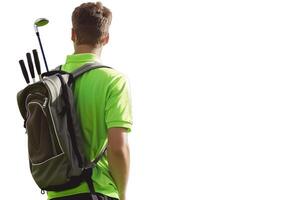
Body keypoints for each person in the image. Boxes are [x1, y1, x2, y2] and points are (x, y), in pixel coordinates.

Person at [47, 2, 132, 200]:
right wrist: (122, 194)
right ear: (106, 38)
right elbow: (118, 148)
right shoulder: (113, 81)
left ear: (72, 35)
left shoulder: (51, 81)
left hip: (56, 193)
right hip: (97, 191)